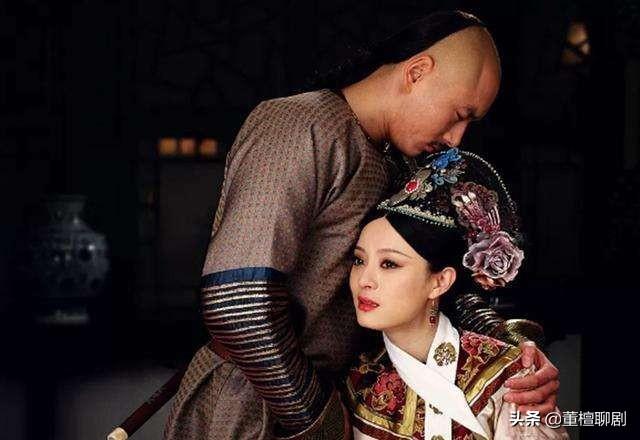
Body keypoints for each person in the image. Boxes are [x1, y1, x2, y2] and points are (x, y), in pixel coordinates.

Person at [164, 11, 560, 440]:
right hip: (250, 407)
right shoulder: (299, 125)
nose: (456, 138)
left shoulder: (400, 161)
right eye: (458, 114)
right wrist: (322, 424)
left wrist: (513, 350)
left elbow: (436, 280)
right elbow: (238, 303)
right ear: (417, 72)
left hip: (343, 396)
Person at [345, 148, 569, 439]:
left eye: (389, 264)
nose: (364, 280)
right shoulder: (356, 382)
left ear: (440, 281)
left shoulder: (510, 377)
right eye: (359, 260)